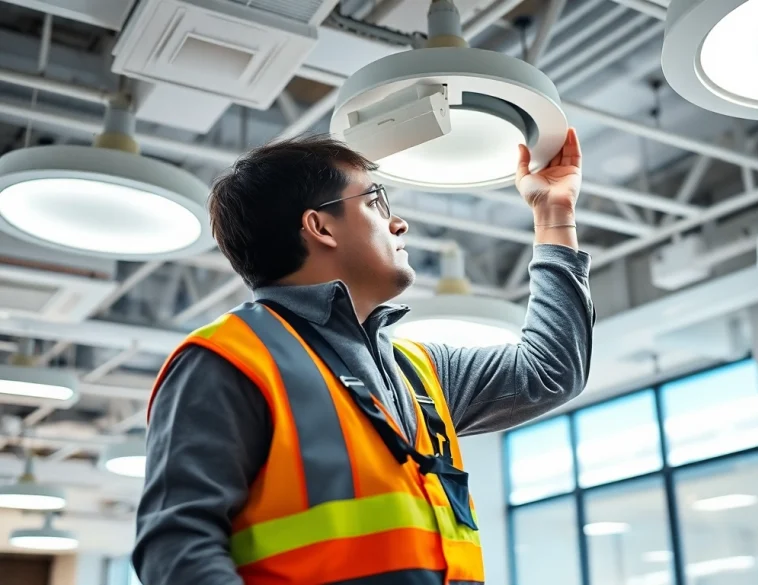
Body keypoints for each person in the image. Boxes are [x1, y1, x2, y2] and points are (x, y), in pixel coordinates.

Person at [132, 129, 594, 585]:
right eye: (375, 203)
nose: (399, 224)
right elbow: (176, 550)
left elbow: (551, 371)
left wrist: (554, 216)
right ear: (320, 226)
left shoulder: (419, 371)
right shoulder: (228, 361)